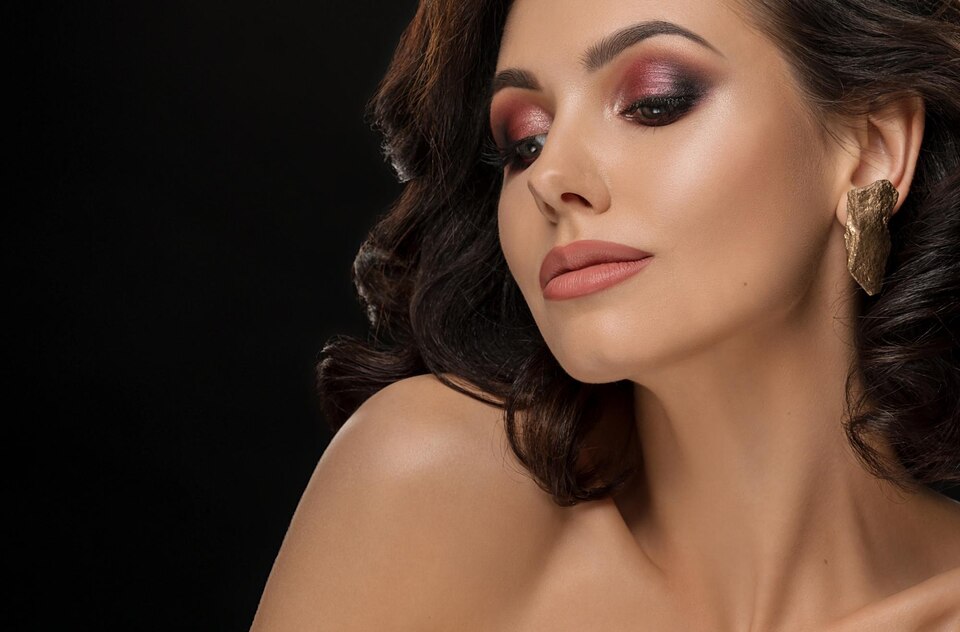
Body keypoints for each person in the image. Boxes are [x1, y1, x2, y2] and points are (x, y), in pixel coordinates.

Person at [251, 0, 960, 629]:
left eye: (654, 103)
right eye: (523, 142)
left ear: (874, 149)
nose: (550, 177)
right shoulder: (431, 486)